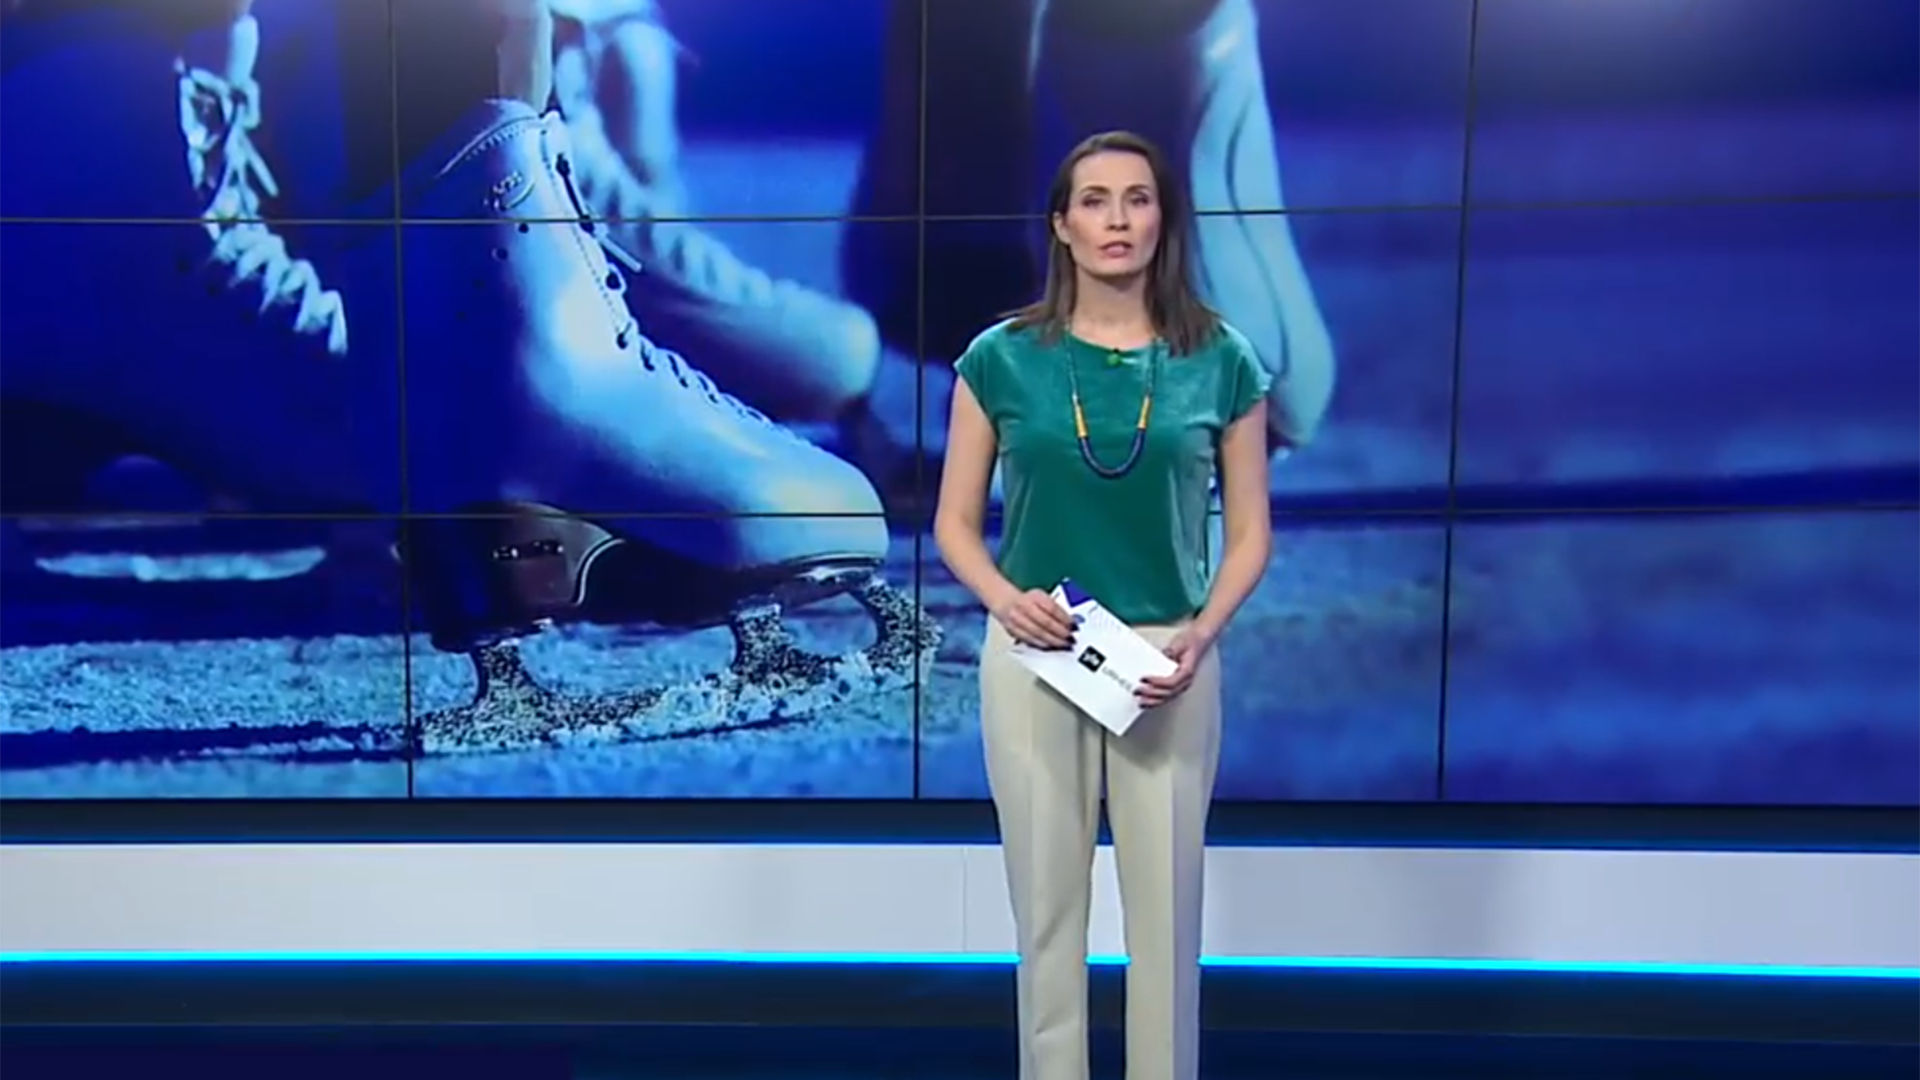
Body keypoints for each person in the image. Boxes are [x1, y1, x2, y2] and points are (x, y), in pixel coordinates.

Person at [932, 129, 1274, 1080]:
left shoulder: (1221, 358)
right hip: (1039, 652)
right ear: (1062, 225)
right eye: (1094, 200)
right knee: (1047, 915)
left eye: (1137, 198)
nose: (1117, 219)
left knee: (1167, 918)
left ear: (1164, 219)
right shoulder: (1000, 360)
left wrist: (1202, 633)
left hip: (1167, 662)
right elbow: (954, 523)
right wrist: (1006, 602)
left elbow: (1251, 533)